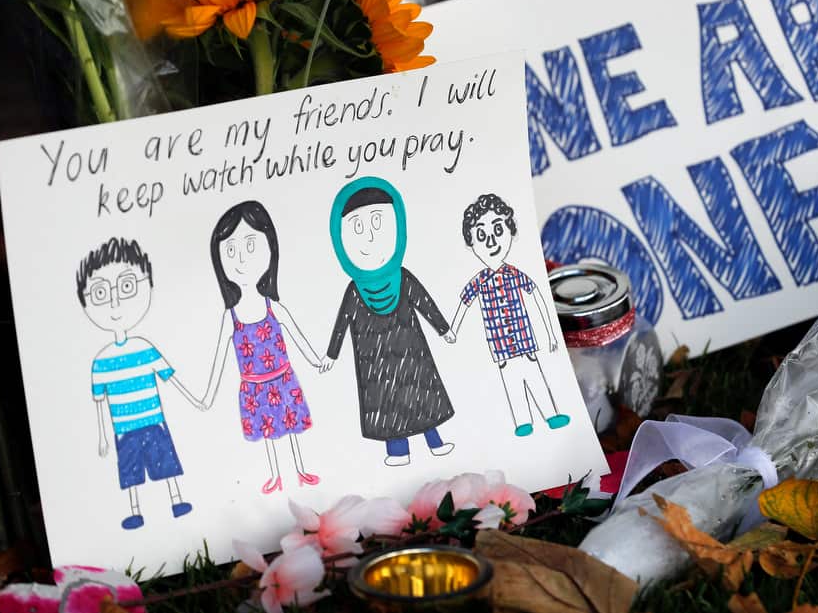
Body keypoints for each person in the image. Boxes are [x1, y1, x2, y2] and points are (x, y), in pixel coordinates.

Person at [322, 177, 457, 467]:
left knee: (421, 390)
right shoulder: (355, 290)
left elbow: (424, 302)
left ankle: (434, 439)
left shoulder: (403, 277)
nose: (369, 236)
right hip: (374, 358)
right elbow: (342, 322)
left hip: (410, 349)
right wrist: (332, 353)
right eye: (357, 227)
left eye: (378, 222)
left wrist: (443, 329)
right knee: (386, 401)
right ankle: (397, 451)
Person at [199, 201, 321, 494]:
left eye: (250, 245)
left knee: (290, 428)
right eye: (230, 251)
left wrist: (317, 360)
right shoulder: (231, 316)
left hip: (283, 378)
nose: (240, 259)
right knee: (269, 433)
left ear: (270, 246)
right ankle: (276, 474)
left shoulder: (272, 305)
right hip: (255, 387)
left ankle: (300, 469)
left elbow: (297, 333)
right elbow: (219, 357)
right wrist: (207, 395)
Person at [77, 237, 195, 530]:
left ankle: (177, 500)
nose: (115, 302)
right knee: (129, 471)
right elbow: (99, 405)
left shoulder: (145, 348)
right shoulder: (100, 362)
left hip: (154, 421)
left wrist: (195, 400)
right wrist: (103, 436)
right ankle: (134, 511)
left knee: (165, 463)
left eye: (127, 286)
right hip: (123, 429)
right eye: (101, 293)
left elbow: (171, 378)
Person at [449, 194, 569, 437]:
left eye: (497, 229)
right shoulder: (479, 281)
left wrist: (550, 333)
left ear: (510, 231)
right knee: (512, 384)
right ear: (471, 243)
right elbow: (463, 302)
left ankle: (551, 415)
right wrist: (452, 331)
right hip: (501, 348)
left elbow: (537, 296)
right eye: (482, 235)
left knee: (535, 376)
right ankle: (522, 421)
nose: (491, 241)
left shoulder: (515, 273)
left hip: (525, 344)